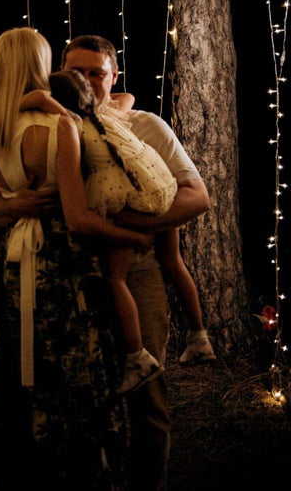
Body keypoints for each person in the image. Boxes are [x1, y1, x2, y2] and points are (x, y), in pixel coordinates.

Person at [0, 27, 153, 489]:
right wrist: (128, 237)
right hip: (65, 265)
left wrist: (13, 206)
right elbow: (78, 219)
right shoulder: (60, 127)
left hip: (16, 262)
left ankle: (19, 470)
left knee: (20, 370)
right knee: (78, 375)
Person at [58, 34, 211, 489]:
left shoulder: (147, 126)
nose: (86, 81)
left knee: (147, 395)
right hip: (70, 273)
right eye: (76, 72)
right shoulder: (52, 127)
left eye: (96, 73)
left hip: (135, 271)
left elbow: (197, 196)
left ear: (114, 77)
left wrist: (124, 221)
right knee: (77, 397)